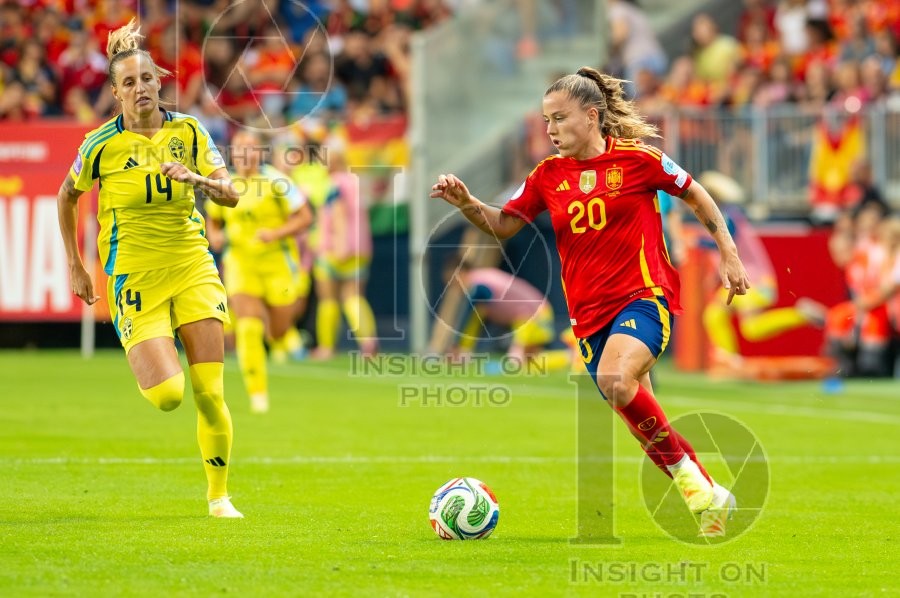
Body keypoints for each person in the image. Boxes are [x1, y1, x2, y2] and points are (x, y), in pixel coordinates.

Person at [430, 66, 751, 538]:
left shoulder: (640, 160)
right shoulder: (547, 176)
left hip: (644, 298)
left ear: (592, 116)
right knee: (638, 413)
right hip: (589, 319)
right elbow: (503, 224)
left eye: (559, 119)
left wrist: (729, 250)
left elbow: (695, 193)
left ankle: (698, 489)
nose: (550, 130)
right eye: (545, 121)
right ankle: (705, 492)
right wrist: (465, 203)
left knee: (616, 382)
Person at [56, 19, 243, 518]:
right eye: (129, 82)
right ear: (116, 93)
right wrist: (76, 264)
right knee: (168, 396)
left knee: (210, 391)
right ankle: (146, 344)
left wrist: (198, 178)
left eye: (147, 79)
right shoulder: (101, 145)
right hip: (134, 278)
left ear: (160, 82)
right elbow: (66, 196)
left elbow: (232, 195)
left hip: (192, 266)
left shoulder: (190, 131)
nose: (141, 88)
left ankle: (219, 496)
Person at [205, 131, 314, 414]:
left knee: (278, 331)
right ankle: (258, 395)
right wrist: (215, 236)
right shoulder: (225, 183)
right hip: (241, 264)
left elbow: (305, 217)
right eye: (239, 150)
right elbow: (213, 220)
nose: (245, 156)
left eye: (250, 149)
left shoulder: (277, 181)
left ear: (259, 154)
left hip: (277, 265)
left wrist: (276, 233)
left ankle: (284, 338)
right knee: (249, 327)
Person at [311, 140, 378, 359]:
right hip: (361, 248)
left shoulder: (333, 184)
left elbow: (338, 213)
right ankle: (368, 343)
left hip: (334, 248)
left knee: (328, 298)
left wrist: (339, 245)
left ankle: (326, 347)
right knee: (354, 296)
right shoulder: (355, 181)